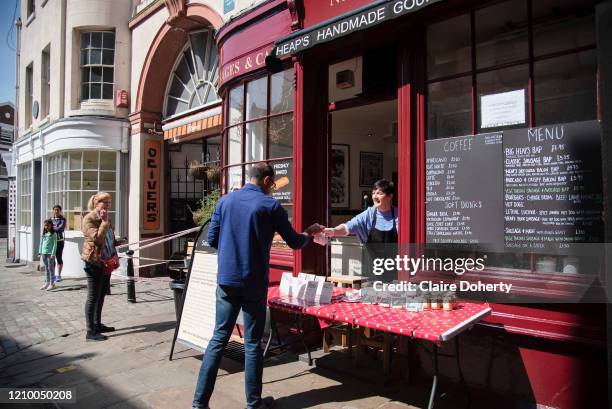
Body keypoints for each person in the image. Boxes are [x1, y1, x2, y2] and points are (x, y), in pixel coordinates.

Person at [192, 163, 324, 409]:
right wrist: (310, 232)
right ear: (266, 180)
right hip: (253, 282)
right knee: (253, 343)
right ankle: (253, 403)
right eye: (272, 184)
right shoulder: (270, 205)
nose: (272, 189)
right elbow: (295, 242)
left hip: (227, 280)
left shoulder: (225, 202)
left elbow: (212, 239)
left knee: (218, 338)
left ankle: (199, 403)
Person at [323, 179, 398, 281]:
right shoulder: (368, 215)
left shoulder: (400, 215)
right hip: (372, 275)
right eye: (373, 193)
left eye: (379, 193)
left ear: (390, 196)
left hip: (397, 273)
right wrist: (333, 231)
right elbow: (347, 227)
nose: (375, 196)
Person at [81, 192, 116, 342]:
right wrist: (104, 222)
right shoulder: (89, 218)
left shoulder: (105, 218)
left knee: (101, 295)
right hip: (94, 261)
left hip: (106, 260)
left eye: (109, 203)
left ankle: (97, 324)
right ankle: (90, 331)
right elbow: (96, 238)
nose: (107, 205)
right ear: (96, 204)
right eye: (104, 202)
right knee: (93, 296)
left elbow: (108, 237)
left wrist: (116, 242)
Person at [39, 219, 58, 290]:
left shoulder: (54, 234)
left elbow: (55, 245)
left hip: (50, 254)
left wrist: (53, 254)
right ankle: (47, 282)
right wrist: (40, 252)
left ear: (51, 226)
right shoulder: (44, 234)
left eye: (48, 225)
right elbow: (41, 243)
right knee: (46, 268)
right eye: (45, 225)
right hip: (44, 253)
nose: (46, 227)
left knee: (51, 268)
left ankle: (52, 283)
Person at [51, 205, 66, 282]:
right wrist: (53, 227)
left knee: (59, 258)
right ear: (53, 210)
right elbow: (47, 228)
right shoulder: (50, 219)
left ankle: (59, 275)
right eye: (55, 210)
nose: (56, 211)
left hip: (59, 241)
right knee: (52, 258)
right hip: (51, 242)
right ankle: (52, 275)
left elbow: (60, 228)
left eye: (58, 210)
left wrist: (53, 227)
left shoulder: (62, 219)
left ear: (60, 211)